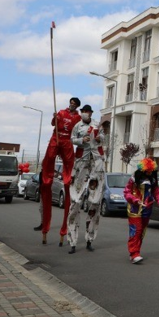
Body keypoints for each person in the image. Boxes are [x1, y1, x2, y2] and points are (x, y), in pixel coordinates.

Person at [37, 97, 82, 244]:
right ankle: (46, 178)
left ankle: (68, 178)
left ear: (77, 106)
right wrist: (54, 118)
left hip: (67, 141)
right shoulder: (61, 112)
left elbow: (78, 131)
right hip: (56, 138)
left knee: (69, 166)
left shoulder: (78, 117)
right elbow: (52, 124)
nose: (71, 105)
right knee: (49, 158)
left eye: (74, 104)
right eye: (71, 102)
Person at [66, 105, 106, 254]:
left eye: (86, 112)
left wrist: (98, 137)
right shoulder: (77, 126)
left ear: (90, 113)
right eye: (82, 111)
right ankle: (72, 241)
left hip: (97, 163)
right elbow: (72, 140)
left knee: (95, 202)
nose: (84, 114)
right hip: (81, 163)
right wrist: (81, 139)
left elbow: (103, 138)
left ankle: (90, 238)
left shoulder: (97, 125)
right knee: (75, 201)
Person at [124, 157, 159, 264]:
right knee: (135, 230)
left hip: (147, 208)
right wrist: (135, 200)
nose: (150, 172)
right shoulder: (134, 178)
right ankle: (134, 253)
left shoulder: (152, 179)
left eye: (151, 171)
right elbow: (127, 192)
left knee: (142, 231)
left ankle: (136, 252)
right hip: (135, 209)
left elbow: (156, 192)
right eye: (148, 171)